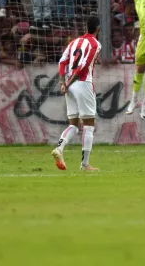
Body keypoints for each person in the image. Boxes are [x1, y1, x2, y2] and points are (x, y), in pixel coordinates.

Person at [52, 16, 102, 172]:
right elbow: (84, 65)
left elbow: (62, 61)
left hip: (70, 86)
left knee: (73, 124)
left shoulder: (74, 42)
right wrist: (68, 82)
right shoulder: (95, 43)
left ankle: (59, 148)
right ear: (98, 29)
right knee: (89, 125)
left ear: (85, 28)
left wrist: (63, 82)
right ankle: (85, 165)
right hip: (82, 83)